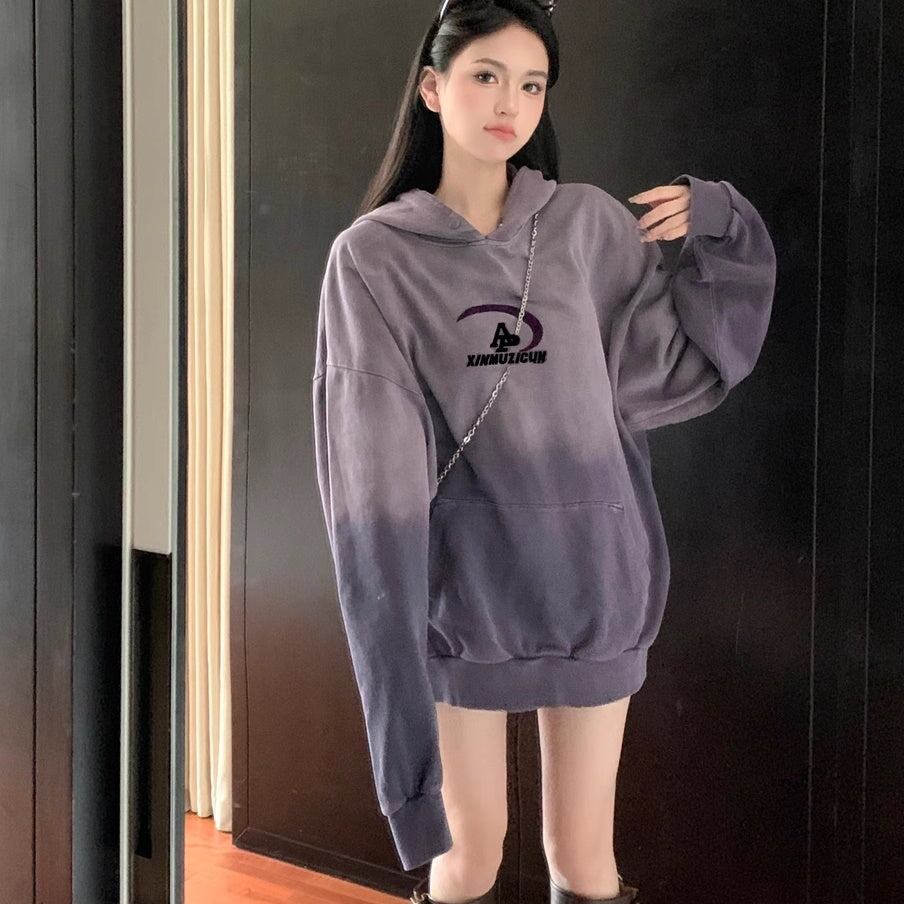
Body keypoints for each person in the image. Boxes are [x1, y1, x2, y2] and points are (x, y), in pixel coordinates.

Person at [311, 1, 777, 902]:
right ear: (432, 87)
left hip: (594, 587)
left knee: (584, 859)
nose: (509, 104)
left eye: (531, 85)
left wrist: (723, 223)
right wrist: (396, 640)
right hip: (466, 604)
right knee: (469, 854)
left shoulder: (589, 228)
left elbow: (672, 368)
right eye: (486, 76)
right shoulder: (374, 260)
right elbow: (370, 473)